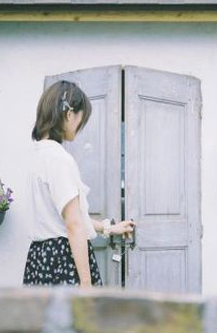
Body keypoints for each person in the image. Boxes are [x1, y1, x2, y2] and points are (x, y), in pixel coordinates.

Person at [23, 80, 135, 288]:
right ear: (69, 115)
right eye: (81, 119)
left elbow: (67, 217)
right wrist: (86, 283)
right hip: (63, 260)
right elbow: (73, 225)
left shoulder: (38, 155)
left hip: (39, 261)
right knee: (75, 319)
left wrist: (109, 228)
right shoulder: (59, 159)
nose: (80, 126)